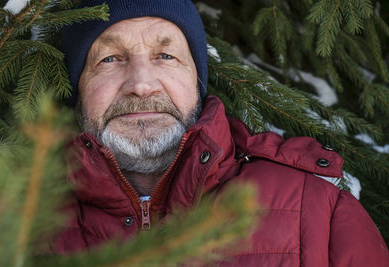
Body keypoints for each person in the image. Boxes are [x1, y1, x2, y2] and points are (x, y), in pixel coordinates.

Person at [53, 0, 389, 265]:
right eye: (110, 59)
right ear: (78, 90)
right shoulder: (11, 221)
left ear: (196, 82)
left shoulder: (320, 210)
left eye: (166, 55)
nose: (142, 84)